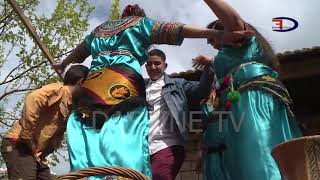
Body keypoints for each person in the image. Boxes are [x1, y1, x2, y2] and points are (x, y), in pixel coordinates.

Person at [53, 4, 253, 179]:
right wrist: (216, 34)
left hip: (92, 86)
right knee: (125, 138)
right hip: (123, 83)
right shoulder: (139, 24)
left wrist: (63, 64)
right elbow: (175, 29)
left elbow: (79, 52)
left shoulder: (99, 30)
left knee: (91, 133)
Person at [192, 0, 302, 180]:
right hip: (236, 109)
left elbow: (233, 19)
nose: (211, 44)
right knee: (243, 162)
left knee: (258, 156)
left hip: (254, 100)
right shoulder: (230, 59)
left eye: (212, 38)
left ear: (223, 29)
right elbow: (232, 66)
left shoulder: (240, 36)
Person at [0, 65, 89, 180]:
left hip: (35, 154)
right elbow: (33, 98)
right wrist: (27, 136)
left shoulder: (72, 106)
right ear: (81, 82)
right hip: (18, 144)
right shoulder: (59, 90)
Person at [145, 49, 214, 180]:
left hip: (168, 145)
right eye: (149, 64)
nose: (153, 67)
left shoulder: (178, 85)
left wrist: (209, 67)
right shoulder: (140, 88)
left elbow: (202, 90)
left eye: (157, 63)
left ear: (165, 66)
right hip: (142, 147)